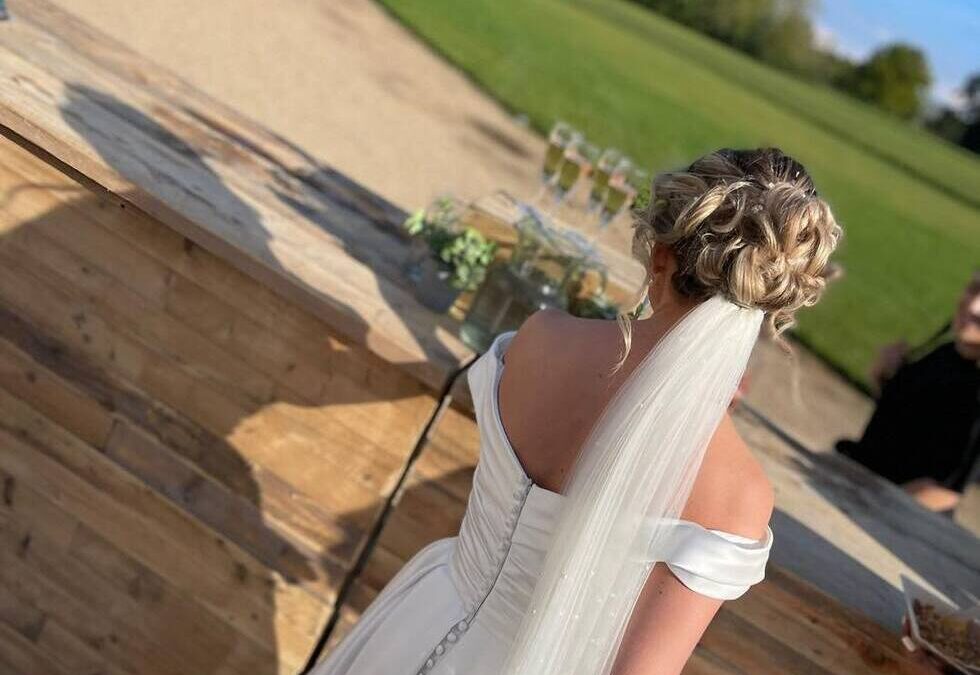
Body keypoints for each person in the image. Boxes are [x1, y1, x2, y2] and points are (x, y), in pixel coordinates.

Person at [315, 148, 841, 675]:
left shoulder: (541, 337)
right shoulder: (738, 497)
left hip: (417, 621)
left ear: (660, 258)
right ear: (777, 300)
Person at [837, 272, 980, 514]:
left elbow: (945, 492)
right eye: (974, 288)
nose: (975, 305)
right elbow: (915, 426)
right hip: (858, 485)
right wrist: (886, 379)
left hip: (888, 518)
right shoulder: (947, 352)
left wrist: (869, 508)